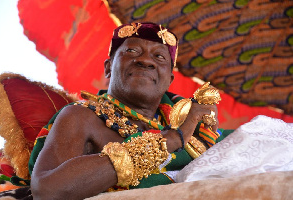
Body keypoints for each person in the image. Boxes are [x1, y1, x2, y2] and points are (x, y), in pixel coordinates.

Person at [29, 22, 228, 200]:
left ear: (169, 80)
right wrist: (172, 139)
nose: (146, 61)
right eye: (132, 51)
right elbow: (48, 191)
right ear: (108, 68)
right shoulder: (81, 116)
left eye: (159, 56)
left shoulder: (195, 129)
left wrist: (196, 130)